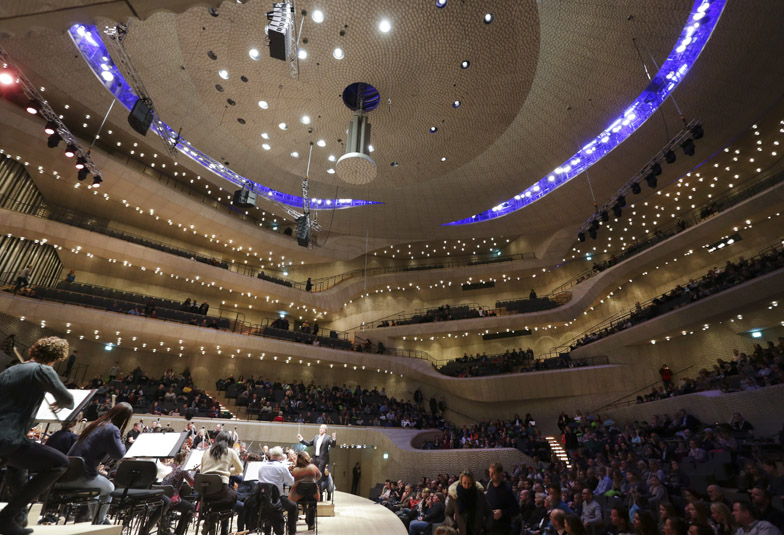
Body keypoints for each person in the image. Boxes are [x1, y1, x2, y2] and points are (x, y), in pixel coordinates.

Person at [0, 336, 74, 535]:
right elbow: (68, 400)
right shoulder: (43, 370)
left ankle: (18, 518)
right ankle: (6, 517)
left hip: (5, 437)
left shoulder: (12, 369)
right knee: (60, 463)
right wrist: (58, 401)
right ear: (55, 359)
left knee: (17, 469)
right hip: (8, 438)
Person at [63, 402, 133, 525]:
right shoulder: (111, 429)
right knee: (110, 488)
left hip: (68, 473)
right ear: (126, 418)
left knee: (97, 489)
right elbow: (119, 454)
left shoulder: (96, 425)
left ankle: (97, 520)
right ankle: (99, 522)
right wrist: (123, 440)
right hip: (82, 476)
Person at [200, 431, 243, 535]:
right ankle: (217, 521)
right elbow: (239, 469)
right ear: (229, 441)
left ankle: (210, 520)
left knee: (218, 501)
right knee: (234, 497)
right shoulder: (230, 451)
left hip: (204, 491)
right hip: (221, 489)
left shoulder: (206, 451)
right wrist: (227, 472)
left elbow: (202, 471)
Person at [257, 446, 296, 535]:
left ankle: (267, 529)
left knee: (268, 509)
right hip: (276, 499)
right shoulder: (281, 467)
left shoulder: (262, 467)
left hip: (263, 499)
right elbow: (291, 483)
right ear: (281, 457)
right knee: (293, 507)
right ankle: (291, 532)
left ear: (271, 455)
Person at [444, 470, 490, 535]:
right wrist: (454, 526)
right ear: (460, 482)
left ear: (473, 483)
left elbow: (489, 513)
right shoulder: (454, 495)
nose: (466, 486)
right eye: (464, 483)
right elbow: (448, 514)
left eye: (469, 483)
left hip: (477, 531)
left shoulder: (479, 495)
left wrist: (484, 528)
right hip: (460, 531)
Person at [161, 451, 195, 535]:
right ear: (184, 458)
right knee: (190, 508)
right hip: (173, 500)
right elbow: (192, 483)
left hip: (162, 497)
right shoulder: (182, 469)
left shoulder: (169, 466)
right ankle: (179, 532)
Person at [289, 451, 321, 531]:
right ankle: (311, 524)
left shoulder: (295, 470)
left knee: (293, 504)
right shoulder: (313, 467)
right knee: (312, 504)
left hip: (297, 496)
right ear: (306, 458)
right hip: (312, 495)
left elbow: (291, 481)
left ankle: (294, 521)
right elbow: (319, 477)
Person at [485, 463, 519, 535]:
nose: (490, 475)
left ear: (500, 474)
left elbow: (516, 509)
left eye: (493, 473)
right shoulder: (490, 485)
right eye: (490, 472)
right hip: (490, 527)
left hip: (502, 529)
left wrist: (502, 512)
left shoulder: (506, 489)